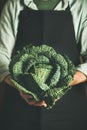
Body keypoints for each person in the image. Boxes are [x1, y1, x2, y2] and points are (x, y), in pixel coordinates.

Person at [0, 0, 87, 130]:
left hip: (69, 111)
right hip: (18, 110)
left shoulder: (80, 5)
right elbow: (1, 54)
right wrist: (21, 86)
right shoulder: (14, 4)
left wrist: (61, 85)